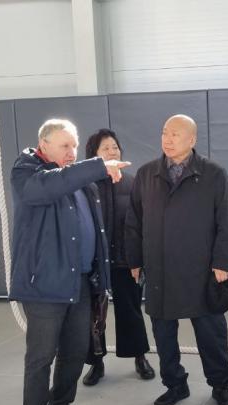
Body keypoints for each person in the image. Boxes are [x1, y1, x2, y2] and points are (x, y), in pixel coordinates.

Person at [9, 118, 129, 405]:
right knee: (41, 357)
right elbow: (48, 187)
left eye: (74, 145)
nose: (72, 152)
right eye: (65, 145)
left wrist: (99, 276)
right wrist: (97, 166)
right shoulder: (27, 172)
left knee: (75, 352)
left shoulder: (76, 178)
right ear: (43, 144)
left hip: (80, 281)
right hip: (45, 286)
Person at [125, 114, 228, 405]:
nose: (168, 139)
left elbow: (227, 222)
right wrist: (134, 260)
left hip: (201, 270)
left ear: (192, 139)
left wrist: (222, 263)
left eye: (175, 134)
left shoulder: (213, 174)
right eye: (165, 132)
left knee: (211, 333)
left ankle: (220, 385)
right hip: (159, 269)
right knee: (163, 334)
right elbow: (133, 222)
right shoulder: (147, 174)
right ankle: (175, 384)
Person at [81, 128, 155, 384]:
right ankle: (96, 363)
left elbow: (142, 224)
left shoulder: (133, 183)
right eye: (105, 148)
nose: (112, 151)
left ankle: (140, 357)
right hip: (95, 262)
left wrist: (138, 260)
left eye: (115, 147)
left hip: (126, 261)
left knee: (131, 311)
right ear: (94, 155)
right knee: (94, 315)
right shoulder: (85, 185)